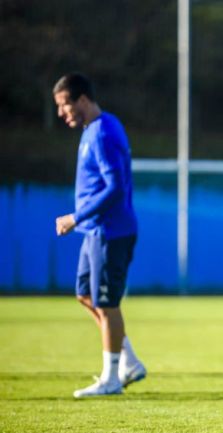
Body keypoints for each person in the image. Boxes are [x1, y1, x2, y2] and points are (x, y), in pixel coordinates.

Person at [53, 73, 147, 397]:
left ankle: (111, 379)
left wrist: (75, 217)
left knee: (107, 304)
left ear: (82, 100)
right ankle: (129, 361)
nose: (61, 113)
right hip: (94, 232)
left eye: (65, 105)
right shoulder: (91, 131)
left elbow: (115, 187)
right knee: (85, 294)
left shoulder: (104, 132)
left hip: (110, 232)